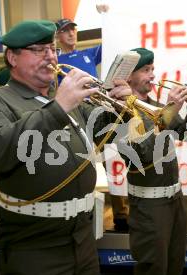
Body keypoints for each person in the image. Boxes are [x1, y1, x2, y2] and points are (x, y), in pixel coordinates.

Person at [0, 20, 131, 275]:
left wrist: (120, 110)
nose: (51, 56)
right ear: (13, 57)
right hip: (34, 243)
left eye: (53, 49)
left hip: (82, 236)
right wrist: (58, 108)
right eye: (39, 50)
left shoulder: (65, 97)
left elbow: (107, 134)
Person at [117, 47, 187, 275]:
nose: (153, 75)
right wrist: (171, 109)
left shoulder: (154, 105)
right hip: (148, 206)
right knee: (153, 269)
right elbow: (142, 154)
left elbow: (186, 135)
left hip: (174, 200)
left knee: (174, 264)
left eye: (153, 69)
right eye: (146, 70)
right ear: (129, 76)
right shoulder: (120, 110)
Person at [56, 11, 130, 232]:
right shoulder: (56, 61)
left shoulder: (88, 53)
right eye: (65, 30)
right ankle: (79, 214)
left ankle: (122, 215)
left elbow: (112, 45)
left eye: (73, 29)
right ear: (58, 36)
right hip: (76, 116)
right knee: (79, 166)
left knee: (113, 162)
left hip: (98, 112)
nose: (71, 33)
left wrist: (107, 16)